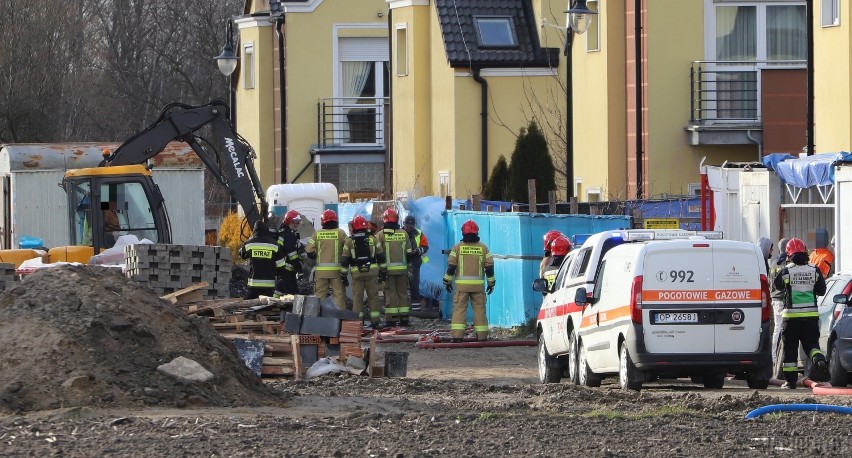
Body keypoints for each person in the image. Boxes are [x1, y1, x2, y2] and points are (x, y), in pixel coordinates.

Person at [773, 237, 830, 388]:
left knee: (790, 349)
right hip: (811, 317)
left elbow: (777, 286)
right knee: (811, 345)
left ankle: (791, 382)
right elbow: (822, 290)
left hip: (791, 318)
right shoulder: (814, 270)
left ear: (788, 253)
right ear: (805, 252)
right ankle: (819, 359)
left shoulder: (787, 271)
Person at [443, 219, 495, 342]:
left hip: (462, 288)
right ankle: (482, 337)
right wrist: (491, 283)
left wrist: (447, 281)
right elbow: (489, 267)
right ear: (477, 232)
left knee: (459, 310)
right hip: (478, 287)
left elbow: (451, 267)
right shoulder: (483, 248)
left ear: (463, 232)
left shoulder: (457, 248)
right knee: (479, 310)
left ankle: (457, 337)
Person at [341, 215, 385, 328]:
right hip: (372, 272)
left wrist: (343, 276)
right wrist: (383, 271)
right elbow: (381, 256)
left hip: (357, 273)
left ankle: (357, 323)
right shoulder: (373, 239)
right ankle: (375, 321)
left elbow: (345, 260)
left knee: (357, 298)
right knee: (373, 297)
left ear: (353, 227)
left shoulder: (349, 241)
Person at [376, 208, 413, 326]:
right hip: (402, 270)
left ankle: (391, 320)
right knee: (403, 293)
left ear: (384, 220)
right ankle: (404, 318)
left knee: (390, 294)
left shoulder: (380, 235)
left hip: (387, 271)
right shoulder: (404, 233)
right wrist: (408, 267)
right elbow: (409, 253)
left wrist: (381, 270)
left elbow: (378, 253)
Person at [305, 209, 348, 310]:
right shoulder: (341, 233)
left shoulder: (317, 234)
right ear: (335, 220)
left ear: (322, 221)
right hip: (337, 272)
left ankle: (318, 318)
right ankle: (339, 318)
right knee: (338, 295)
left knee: (319, 295)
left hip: (321, 272)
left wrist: (318, 256)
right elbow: (348, 248)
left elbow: (308, 250)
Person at [239, 220, 286, 300]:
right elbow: (281, 266)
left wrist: (250, 240)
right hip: (269, 286)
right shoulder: (274, 244)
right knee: (267, 308)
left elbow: (241, 254)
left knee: (252, 307)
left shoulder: (250, 244)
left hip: (253, 285)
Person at [768, 237, 789, 368]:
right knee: (782, 328)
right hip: (782, 299)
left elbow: (770, 282)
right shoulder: (785, 264)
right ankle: (777, 359)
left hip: (775, 299)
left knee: (777, 328)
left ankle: (774, 357)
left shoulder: (774, 263)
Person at [274, 210, 304, 297]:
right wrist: (300, 269)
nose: (296, 224)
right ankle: (293, 310)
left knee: (281, 287)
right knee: (294, 294)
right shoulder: (289, 235)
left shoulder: (282, 232)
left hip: (281, 267)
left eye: (298, 222)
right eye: (294, 222)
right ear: (288, 221)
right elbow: (292, 255)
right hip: (288, 268)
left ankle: (273, 304)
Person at [403, 215, 429, 312]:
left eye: (411, 224)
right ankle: (403, 306)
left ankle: (416, 307)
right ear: (404, 223)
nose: (409, 226)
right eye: (407, 224)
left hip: (414, 262)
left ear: (414, 225)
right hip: (402, 262)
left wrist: (418, 251)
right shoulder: (400, 233)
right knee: (402, 286)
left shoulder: (419, 233)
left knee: (414, 285)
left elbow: (425, 247)